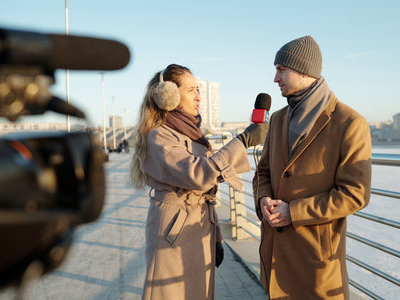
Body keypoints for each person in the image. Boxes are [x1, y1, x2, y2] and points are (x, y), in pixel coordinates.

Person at [130, 64, 268, 300]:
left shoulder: (191, 133)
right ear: (168, 96)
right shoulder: (159, 136)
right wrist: (242, 141)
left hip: (197, 223)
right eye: (192, 90)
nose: (199, 97)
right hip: (173, 231)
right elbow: (197, 174)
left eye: (199, 90)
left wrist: (217, 237)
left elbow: (205, 189)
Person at [252, 36, 372, 299]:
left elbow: (355, 193)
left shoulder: (350, 123)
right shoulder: (279, 118)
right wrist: (263, 199)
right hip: (274, 255)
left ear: (304, 70)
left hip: (316, 261)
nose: (275, 78)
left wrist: (293, 212)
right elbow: (263, 171)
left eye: (281, 69)